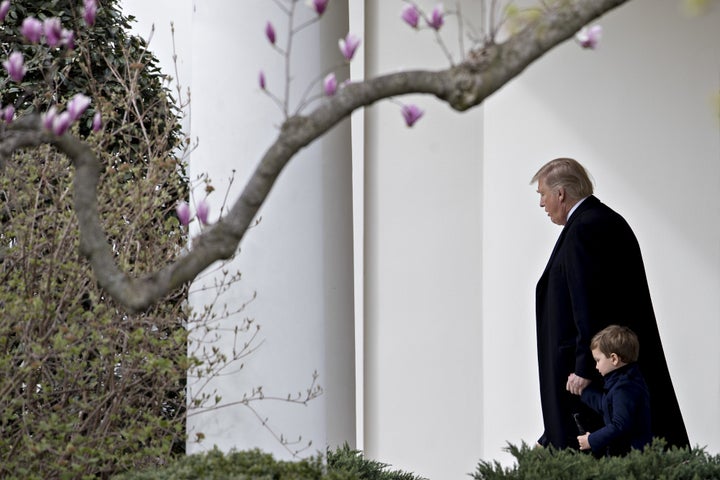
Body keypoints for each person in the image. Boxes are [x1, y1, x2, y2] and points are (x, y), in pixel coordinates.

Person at [531, 157, 689, 450]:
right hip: (607, 375)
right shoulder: (599, 221)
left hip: (596, 378)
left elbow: (588, 305)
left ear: (561, 194)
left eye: (542, 194)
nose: (541, 203)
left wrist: (583, 368)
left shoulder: (585, 229)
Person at [575, 325, 651, 456]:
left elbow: (619, 425)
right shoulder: (619, 383)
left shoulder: (625, 388)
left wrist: (591, 440)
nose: (596, 366)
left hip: (632, 457)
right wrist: (583, 391)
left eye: (598, 360)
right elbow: (605, 405)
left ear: (614, 359)